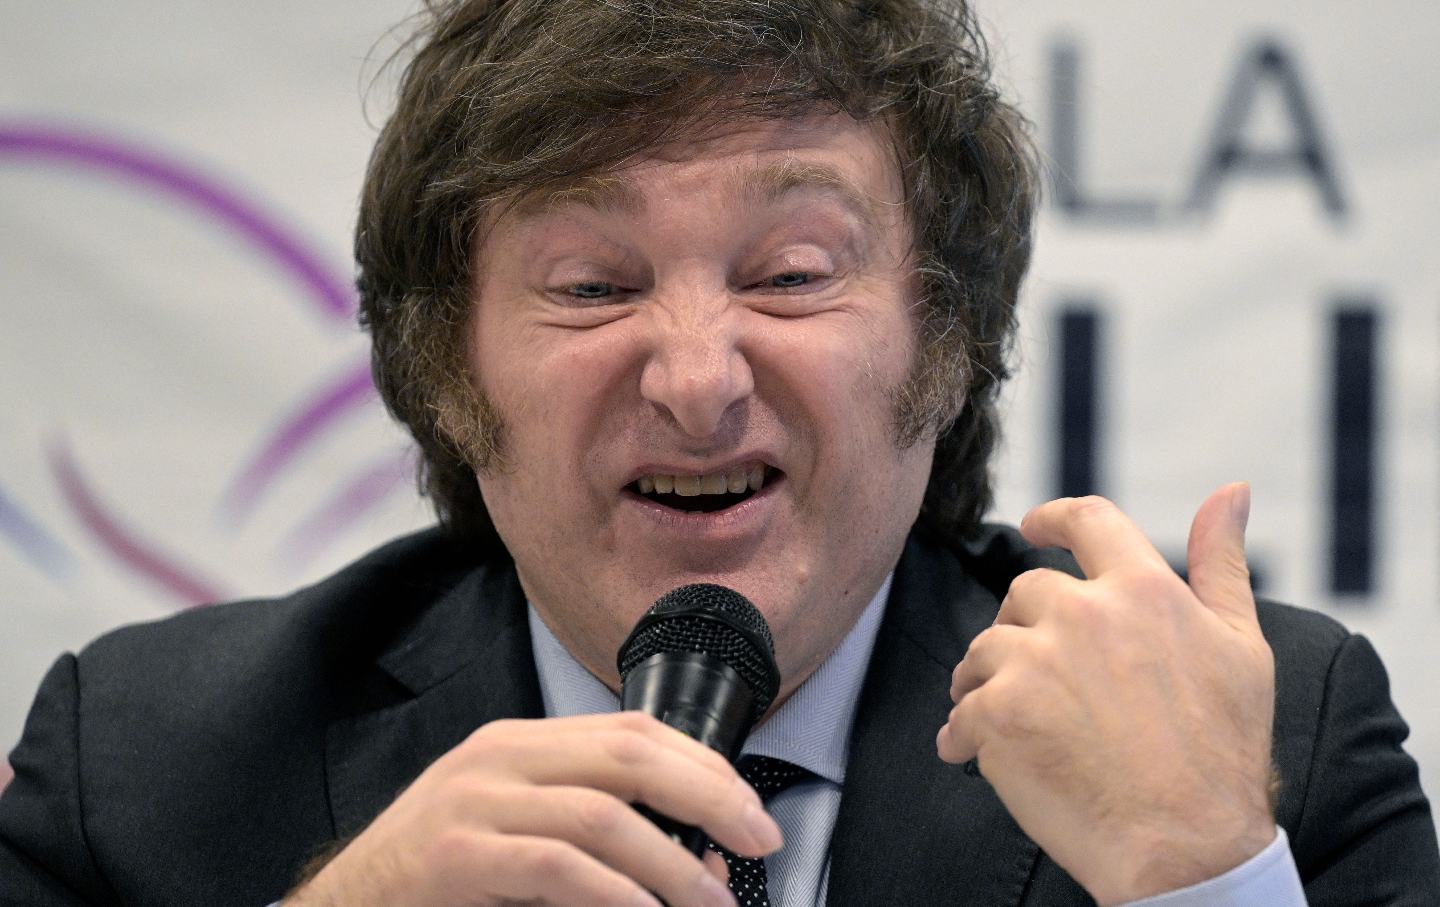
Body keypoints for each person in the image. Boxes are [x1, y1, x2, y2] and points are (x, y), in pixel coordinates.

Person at [2, 0, 1436, 904]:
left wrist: (1202, 883)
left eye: (795, 271)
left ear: (944, 340)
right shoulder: (143, 765)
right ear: (446, 365)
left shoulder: (1262, 751)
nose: (696, 378)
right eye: (590, 285)